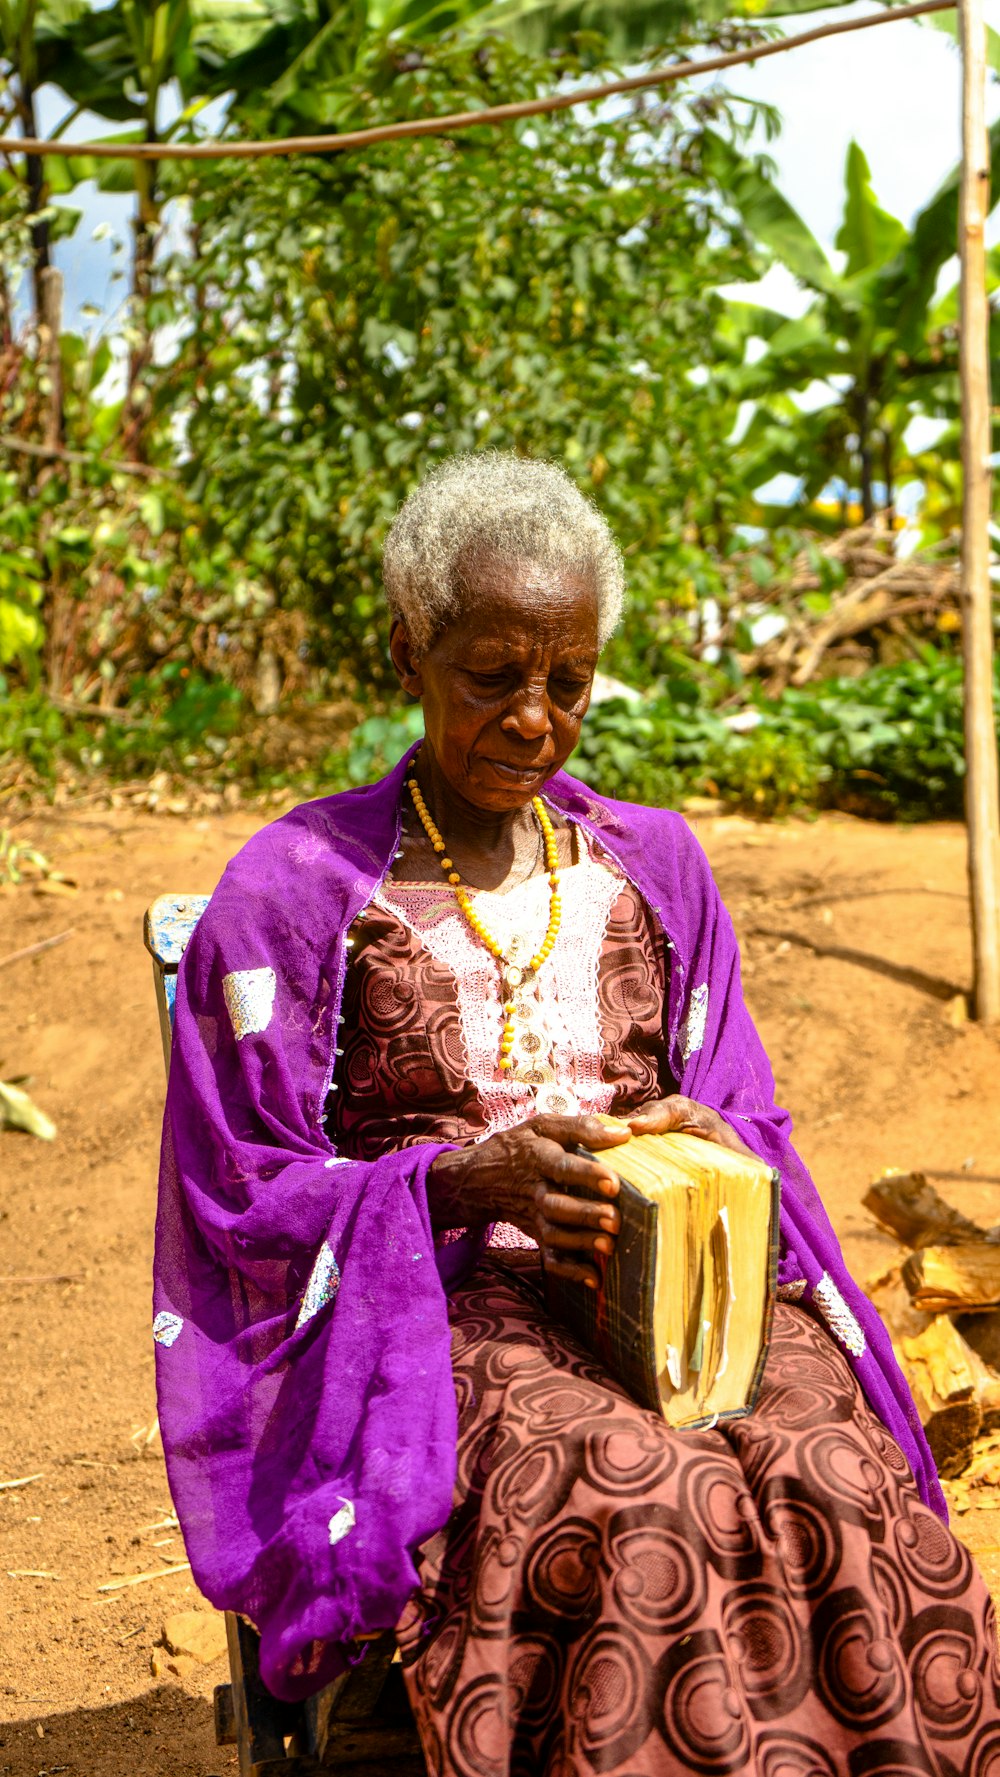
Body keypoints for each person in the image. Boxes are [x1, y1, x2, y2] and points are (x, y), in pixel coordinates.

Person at [154, 452, 999, 1777]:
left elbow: (740, 1107)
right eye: (494, 675)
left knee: (825, 1466)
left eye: (570, 680)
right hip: (432, 1316)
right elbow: (237, 1195)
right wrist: (450, 1184)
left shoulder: (655, 863)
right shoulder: (292, 893)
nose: (536, 716)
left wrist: (702, 1145)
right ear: (408, 650)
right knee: (632, 1484)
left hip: (672, 1291)